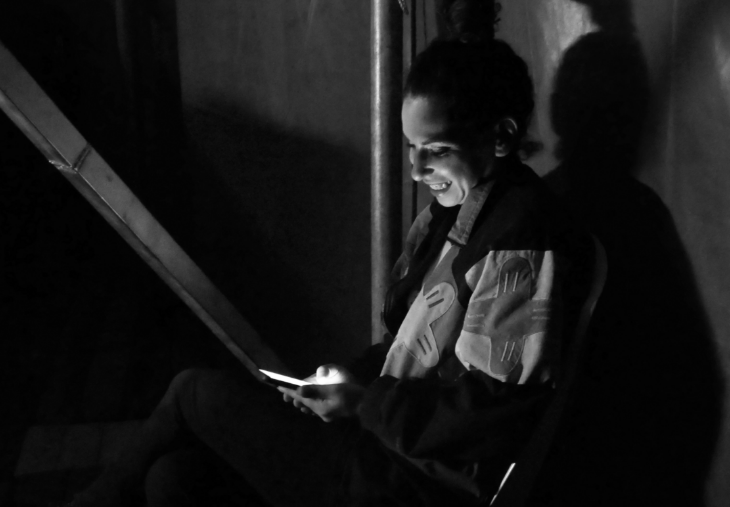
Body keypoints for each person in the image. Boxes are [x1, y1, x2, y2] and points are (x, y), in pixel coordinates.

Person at [65, 1, 594, 506]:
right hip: (380, 449)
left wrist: (363, 402)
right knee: (174, 478)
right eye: (411, 148)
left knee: (192, 393)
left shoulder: (522, 236)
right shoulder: (461, 211)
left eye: (436, 151)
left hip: (413, 485)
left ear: (501, 137)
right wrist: (348, 382)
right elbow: (408, 348)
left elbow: (488, 415)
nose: (416, 170)